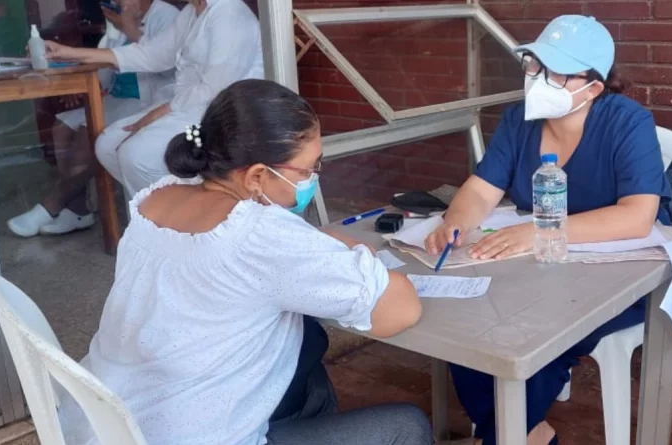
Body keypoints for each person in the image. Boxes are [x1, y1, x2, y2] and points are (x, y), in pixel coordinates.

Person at [58, 79, 431, 445]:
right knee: (406, 426)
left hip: (109, 425)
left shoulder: (157, 198)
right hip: (194, 433)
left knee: (307, 359)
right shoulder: (257, 235)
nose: (314, 179)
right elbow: (399, 309)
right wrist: (351, 249)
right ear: (255, 175)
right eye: (308, 170)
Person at [424, 15, 672, 445]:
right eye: (535, 66)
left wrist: (539, 235)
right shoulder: (519, 119)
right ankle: (527, 433)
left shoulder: (628, 122)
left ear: (593, 87)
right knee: (466, 329)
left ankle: (502, 436)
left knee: (542, 339)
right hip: (540, 268)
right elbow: (481, 190)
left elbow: (637, 216)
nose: (539, 79)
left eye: (557, 72)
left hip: (619, 272)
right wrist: (454, 223)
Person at [42, 0, 263, 198]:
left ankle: (193, 216)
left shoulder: (229, 12)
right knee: (108, 144)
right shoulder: (191, 12)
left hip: (221, 112)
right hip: (188, 105)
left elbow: (216, 87)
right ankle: (162, 219)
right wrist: (70, 53)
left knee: (136, 154)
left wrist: (160, 112)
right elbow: (151, 54)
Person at [7, 0, 178, 237]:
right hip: (115, 98)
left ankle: (52, 204)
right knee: (61, 127)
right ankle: (77, 210)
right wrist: (82, 84)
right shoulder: (120, 17)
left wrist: (128, 27)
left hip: (145, 101)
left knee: (88, 134)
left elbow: (165, 65)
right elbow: (106, 64)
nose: (116, 1)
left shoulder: (167, 16)